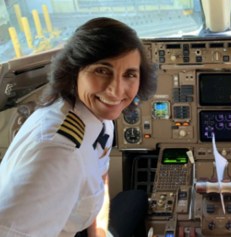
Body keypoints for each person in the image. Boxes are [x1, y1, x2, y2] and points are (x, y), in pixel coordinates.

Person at [0, 17, 156, 237]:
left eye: (129, 74)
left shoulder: (97, 119)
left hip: (78, 223)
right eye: (102, 71)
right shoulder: (58, 153)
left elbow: (100, 179)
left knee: (137, 197)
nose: (116, 90)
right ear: (74, 71)